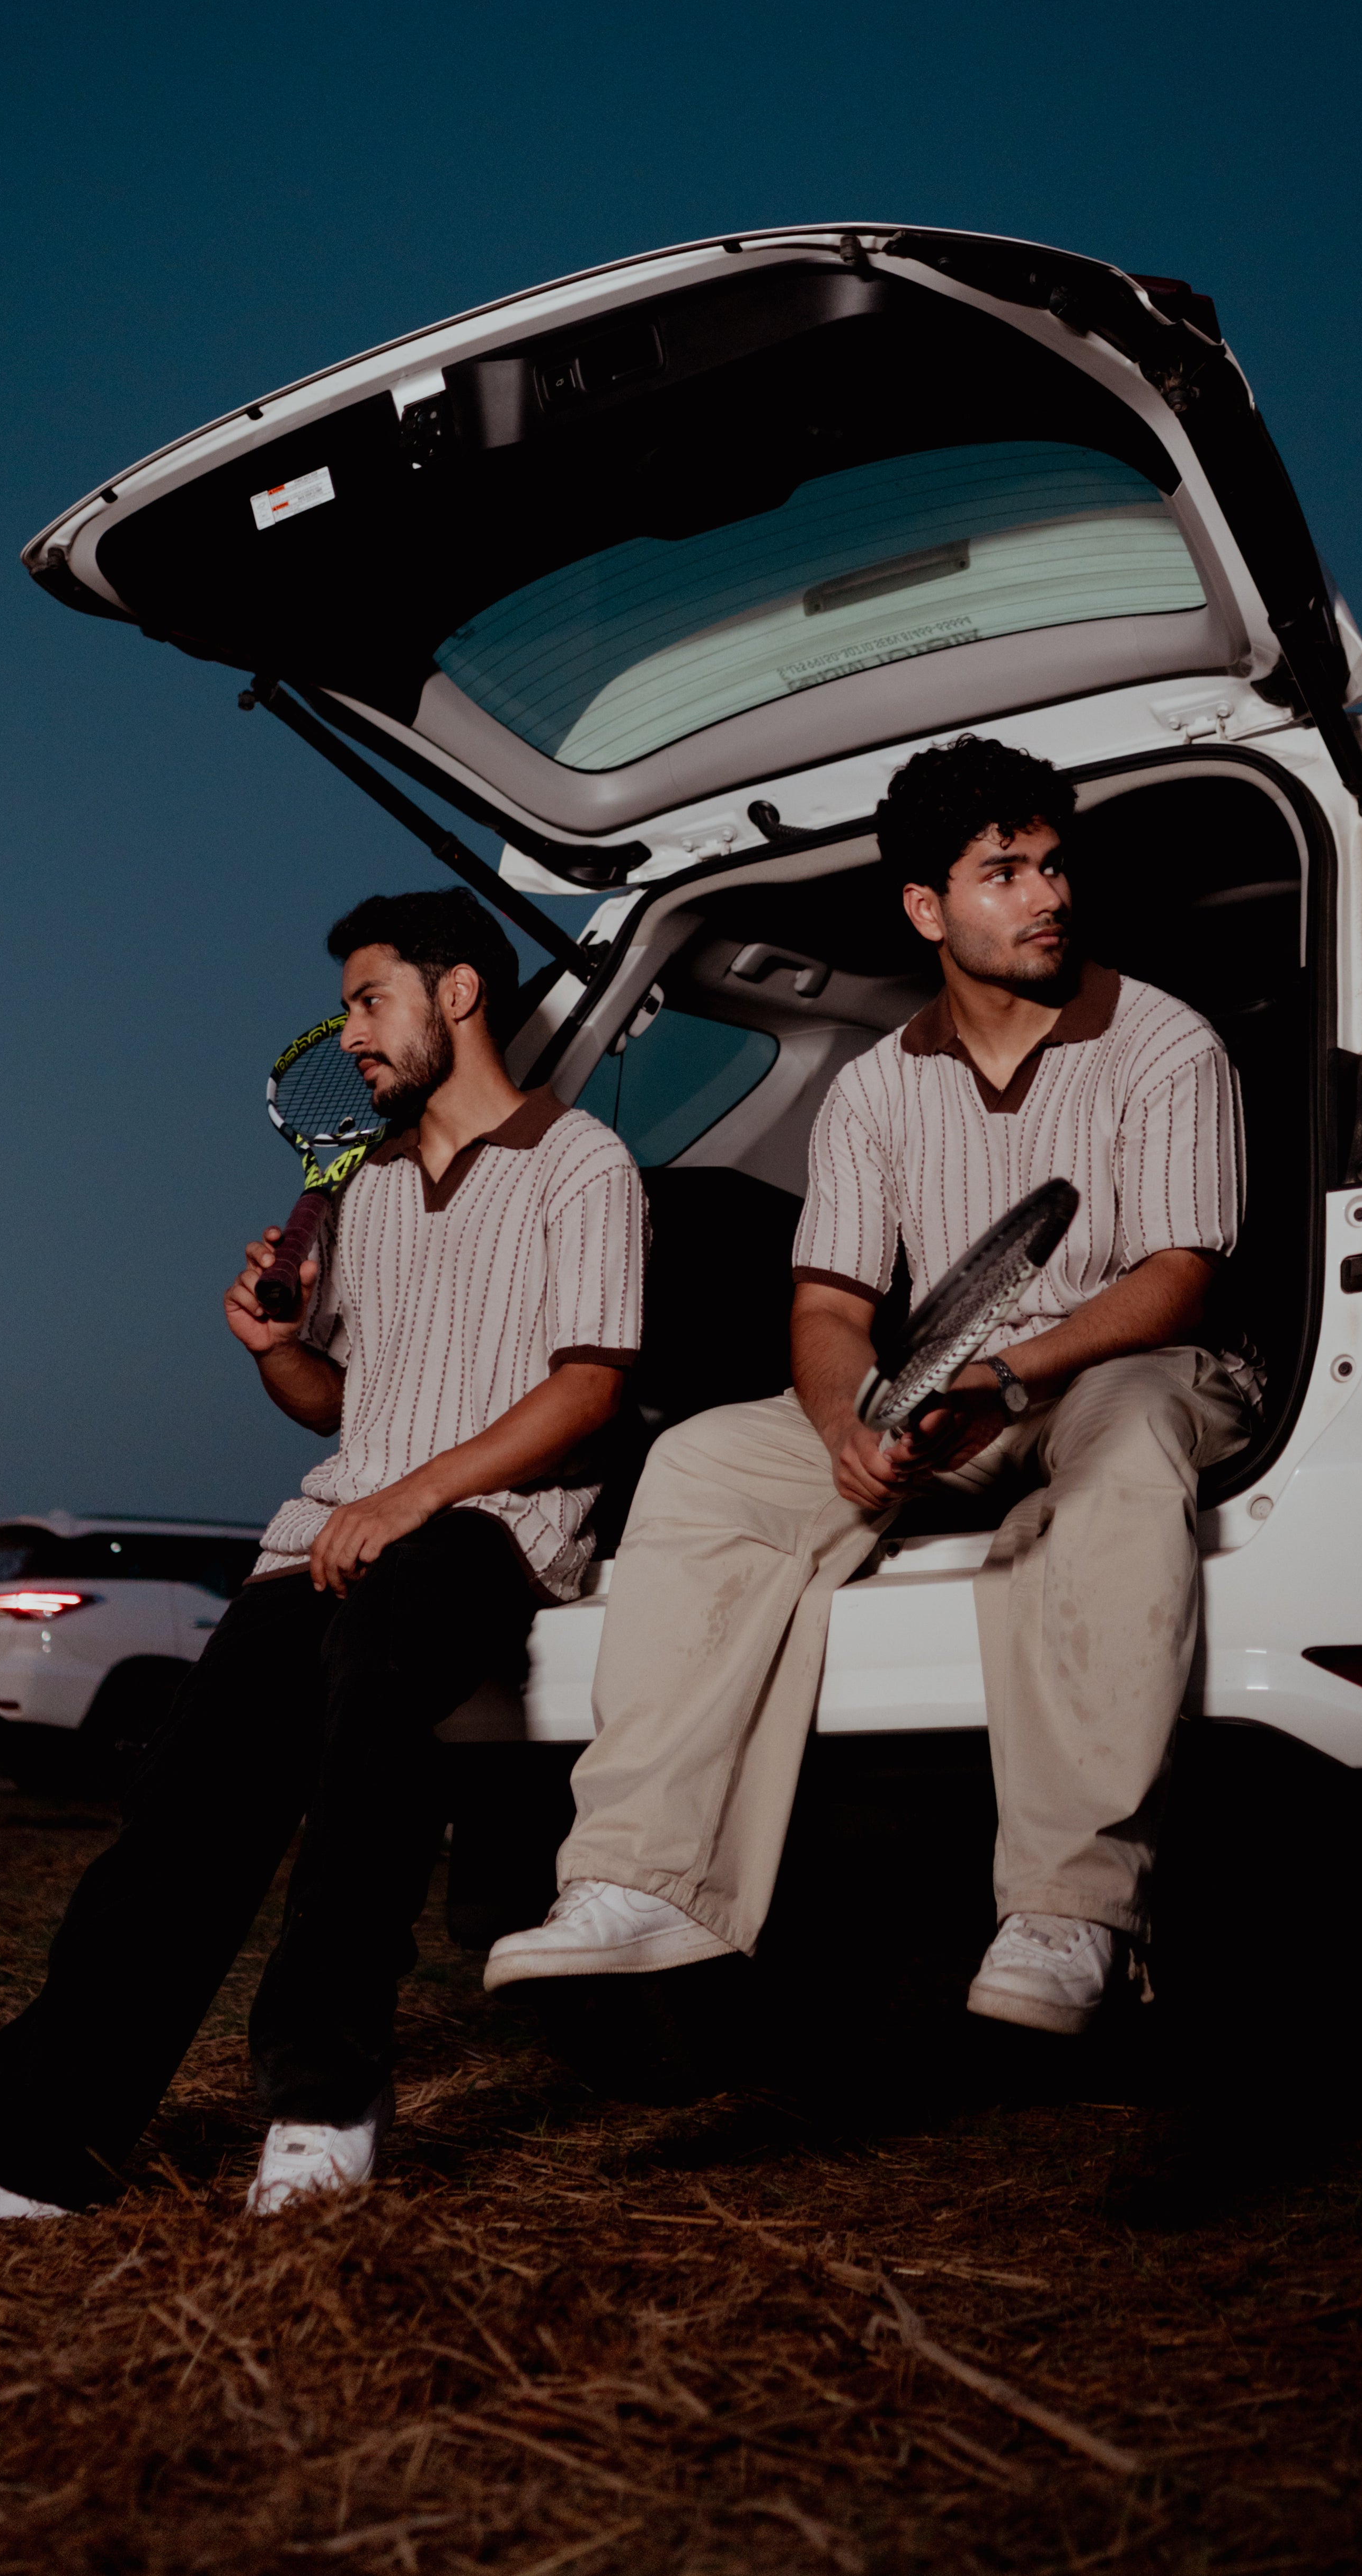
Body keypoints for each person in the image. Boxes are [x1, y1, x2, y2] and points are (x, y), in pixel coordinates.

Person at [0, 889, 645, 2223]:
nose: (349, 1033)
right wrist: (277, 1352)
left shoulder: (581, 1160)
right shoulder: (366, 1187)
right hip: (334, 1531)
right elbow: (339, 1406)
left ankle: (324, 2098)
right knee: (184, 1799)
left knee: (374, 1702)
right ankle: (22, 2149)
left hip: (492, 1531)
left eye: (369, 1001)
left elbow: (590, 1387)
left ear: (460, 992)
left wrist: (415, 1496)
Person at [485, 738, 1255, 2035]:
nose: (1047, 895)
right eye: (1004, 872)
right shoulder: (873, 1088)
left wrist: (1005, 1373)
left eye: (1053, 865)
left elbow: (1178, 1278)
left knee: (1125, 1441)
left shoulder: (1163, 1040)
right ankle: (647, 1882)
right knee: (701, 1463)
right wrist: (849, 1421)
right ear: (925, 908)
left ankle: (1074, 1911)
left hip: (1123, 1368)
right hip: (948, 1392)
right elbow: (831, 1309)